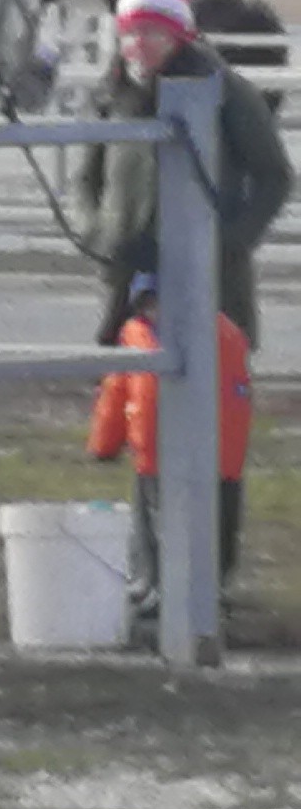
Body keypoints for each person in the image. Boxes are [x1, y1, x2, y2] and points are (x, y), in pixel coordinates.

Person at [73, 0, 287, 627]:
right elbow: (86, 177)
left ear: (179, 35)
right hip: (135, 293)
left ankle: (207, 575)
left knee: (213, 439)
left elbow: (274, 177)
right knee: (147, 433)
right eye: (130, 34)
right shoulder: (112, 95)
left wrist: (226, 245)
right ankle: (149, 571)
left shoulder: (224, 92)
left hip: (212, 294)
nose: (139, 46)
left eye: (152, 34)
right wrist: (99, 233)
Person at [87, 274, 252, 642]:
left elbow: (119, 391)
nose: (155, 311)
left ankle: (184, 590)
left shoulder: (203, 334)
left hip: (193, 458)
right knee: (174, 526)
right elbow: (118, 390)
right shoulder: (218, 332)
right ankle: (176, 590)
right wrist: (104, 443)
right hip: (174, 457)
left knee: (191, 525)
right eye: (148, 304)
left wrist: (104, 445)